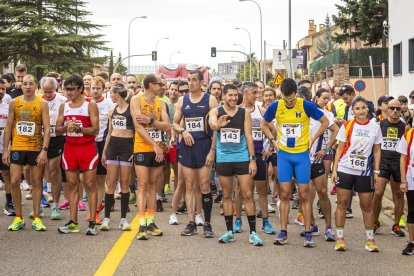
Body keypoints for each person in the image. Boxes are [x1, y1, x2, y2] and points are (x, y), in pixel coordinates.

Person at [261, 78, 329, 247]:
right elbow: (263, 124)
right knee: (284, 194)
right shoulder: (276, 106)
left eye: (291, 99)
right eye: (286, 99)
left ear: (295, 94)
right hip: (284, 155)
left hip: (301, 156)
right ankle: (283, 232)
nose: (289, 102)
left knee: (304, 194)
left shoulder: (305, 105)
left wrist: (313, 139)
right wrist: (273, 141)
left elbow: (325, 122)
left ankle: (308, 233)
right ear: (281, 95)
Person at [209, 83, 263, 245]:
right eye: (230, 95)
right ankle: (229, 232)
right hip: (224, 158)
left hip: (241, 157)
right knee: (226, 195)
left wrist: (252, 159)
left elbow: (248, 136)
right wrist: (219, 125)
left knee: (247, 194)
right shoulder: (216, 111)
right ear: (223, 96)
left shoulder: (244, 113)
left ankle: (253, 233)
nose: (233, 98)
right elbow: (212, 124)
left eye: (235, 95)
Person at [332, 96, 382, 252]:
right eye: (357, 108)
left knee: (367, 206)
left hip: (364, 171)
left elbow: (377, 150)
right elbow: (339, 148)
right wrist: (334, 170)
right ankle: (340, 238)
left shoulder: (375, 127)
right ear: (352, 111)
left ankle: (370, 240)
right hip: (345, 169)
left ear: (368, 109)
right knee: (342, 203)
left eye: (363, 107)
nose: (361, 111)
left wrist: (376, 171)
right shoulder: (347, 126)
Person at [173, 70, 218, 237]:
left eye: (194, 80)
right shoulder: (181, 101)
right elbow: (175, 124)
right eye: (189, 80)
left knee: (205, 186)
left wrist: (212, 151)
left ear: (200, 83)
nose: (190, 83)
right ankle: (191, 223)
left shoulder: (210, 100)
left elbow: (215, 130)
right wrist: (183, 131)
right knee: (190, 186)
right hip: (187, 147)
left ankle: (207, 223)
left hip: (204, 146)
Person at [3, 74, 50, 231]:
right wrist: (5, 150)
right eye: (25, 84)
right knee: (15, 181)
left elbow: (47, 129)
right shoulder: (14, 103)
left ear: (36, 85)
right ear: (21, 86)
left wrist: (44, 150)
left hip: (35, 148)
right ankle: (18, 217)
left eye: (31, 83)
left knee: (36, 182)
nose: (28, 86)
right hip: (17, 146)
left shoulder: (42, 103)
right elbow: (9, 127)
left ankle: (36, 218)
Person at [56, 74, 100, 236]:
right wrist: (66, 127)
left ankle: (92, 222)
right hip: (70, 149)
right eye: (66, 89)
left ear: (81, 89)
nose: (68, 92)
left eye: (71, 89)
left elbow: (96, 129)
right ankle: (73, 222)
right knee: (72, 185)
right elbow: (57, 129)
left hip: (87, 148)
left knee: (90, 185)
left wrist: (79, 129)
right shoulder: (64, 106)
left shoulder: (90, 104)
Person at [130, 74, 170, 240]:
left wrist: (151, 120)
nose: (162, 87)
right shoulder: (136, 100)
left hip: (158, 149)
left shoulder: (162, 103)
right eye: (159, 84)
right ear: (151, 85)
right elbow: (138, 126)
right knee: (143, 185)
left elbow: (167, 126)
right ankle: (141, 224)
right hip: (142, 147)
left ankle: (151, 221)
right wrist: (153, 144)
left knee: (154, 185)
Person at [236, 82, 276, 235]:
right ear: (245, 94)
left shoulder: (261, 110)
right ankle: (238, 221)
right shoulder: (237, 111)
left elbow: (272, 129)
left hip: (259, 154)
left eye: (257, 93)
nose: (257, 96)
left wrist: (270, 148)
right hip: (242, 155)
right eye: (254, 93)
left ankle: (265, 222)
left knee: (262, 190)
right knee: (240, 190)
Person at [100, 83, 134, 231]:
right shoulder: (111, 110)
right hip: (113, 146)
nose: (110, 96)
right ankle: (106, 218)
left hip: (127, 147)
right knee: (111, 183)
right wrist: (104, 150)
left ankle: (123, 219)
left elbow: (137, 131)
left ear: (117, 94)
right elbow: (109, 132)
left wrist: (135, 150)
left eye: (111, 93)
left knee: (125, 183)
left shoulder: (131, 109)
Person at [372, 99, 408, 237]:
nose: (394, 111)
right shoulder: (380, 125)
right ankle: (375, 222)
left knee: (398, 195)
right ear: (386, 109)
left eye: (398, 109)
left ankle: (396, 225)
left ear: (401, 111)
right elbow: (374, 146)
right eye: (392, 108)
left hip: (398, 164)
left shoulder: (405, 127)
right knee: (379, 192)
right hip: (383, 163)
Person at [306, 88, 339, 241]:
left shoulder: (322, 114)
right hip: (301, 159)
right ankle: (311, 225)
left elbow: (335, 129)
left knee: (322, 191)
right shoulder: (295, 115)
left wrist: (325, 148)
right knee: (304, 194)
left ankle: (328, 228)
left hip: (317, 158)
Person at [40, 77, 67, 220]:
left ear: (55, 89)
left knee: (54, 170)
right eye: (45, 91)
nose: (48, 95)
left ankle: (55, 205)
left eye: (50, 91)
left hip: (56, 138)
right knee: (37, 172)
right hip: (40, 138)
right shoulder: (38, 100)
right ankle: (38, 206)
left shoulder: (62, 100)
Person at [90, 76, 112, 224]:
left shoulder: (109, 104)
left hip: (102, 143)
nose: (95, 91)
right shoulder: (86, 103)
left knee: (99, 179)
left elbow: (111, 127)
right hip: (87, 144)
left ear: (103, 90)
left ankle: (96, 210)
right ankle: (97, 204)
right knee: (86, 179)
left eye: (98, 88)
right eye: (93, 88)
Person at [397, 127, 414, 255]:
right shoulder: (409, 134)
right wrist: (403, 180)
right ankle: (412, 243)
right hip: (411, 178)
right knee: (412, 210)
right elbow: (403, 158)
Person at [0, 79, 14, 216]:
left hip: (4, 148)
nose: (1, 91)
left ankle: (9, 203)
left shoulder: (8, 107)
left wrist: (8, 148)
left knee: (6, 175)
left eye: (3, 89)